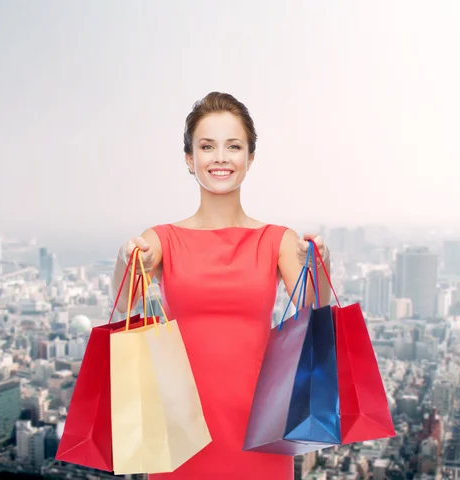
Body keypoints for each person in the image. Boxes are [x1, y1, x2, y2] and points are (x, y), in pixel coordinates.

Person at [111, 92, 332, 480]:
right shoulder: (162, 238)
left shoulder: (277, 240)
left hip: (260, 430)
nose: (220, 157)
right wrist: (126, 258)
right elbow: (125, 301)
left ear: (250, 158)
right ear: (188, 158)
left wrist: (321, 264)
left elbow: (312, 311)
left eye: (233, 146)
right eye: (207, 146)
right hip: (181, 433)